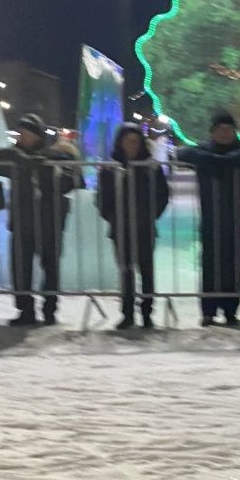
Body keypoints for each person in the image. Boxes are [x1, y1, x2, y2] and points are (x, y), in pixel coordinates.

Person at [0, 114, 81, 327]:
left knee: (50, 268)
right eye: (21, 133)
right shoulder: (14, 157)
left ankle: (49, 310)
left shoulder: (54, 155)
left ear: (37, 135)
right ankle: (25, 309)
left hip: (49, 222)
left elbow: (74, 179)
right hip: (22, 222)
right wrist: (20, 158)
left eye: (26, 133)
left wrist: (44, 170)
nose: (22, 137)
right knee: (21, 268)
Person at [175, 113, 240, 326]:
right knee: (210, 264)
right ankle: (208, 310)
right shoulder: (203, 150)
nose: (224, 133)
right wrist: (218, 160)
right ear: (212, 132)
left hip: (239, 219)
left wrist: (221, 161)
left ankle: (230, 309)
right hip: (212, 220)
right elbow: (182, 153)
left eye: (229, 130)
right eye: (220, 129)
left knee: (234, 266)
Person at [98, 123, 170, 329]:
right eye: (127, 141)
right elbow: (103, 197)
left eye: (135, 141)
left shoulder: (150, 166)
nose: (131, 145)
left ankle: (147, 313)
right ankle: (127, 313)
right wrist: (111, 216)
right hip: (120, 227)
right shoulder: (111, 167)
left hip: (144, 227)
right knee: (126, 271)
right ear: (120, 143)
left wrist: (151, 215)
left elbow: (162, 194)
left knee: (146, 271)